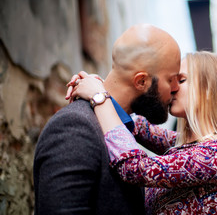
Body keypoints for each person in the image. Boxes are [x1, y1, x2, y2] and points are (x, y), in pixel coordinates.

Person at [68, 51, 217, 214]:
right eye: (171, 80)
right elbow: (138, 126)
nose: (172, 88)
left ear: (209, 90)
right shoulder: (184, 145)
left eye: (181, 80)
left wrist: (99, 98)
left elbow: (136, 168)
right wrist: (100, 86)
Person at [33, 24, 181, 214]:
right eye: (171, 79)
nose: (175, 88)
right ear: (141, 81)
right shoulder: (75, 127)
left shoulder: (123, 127)